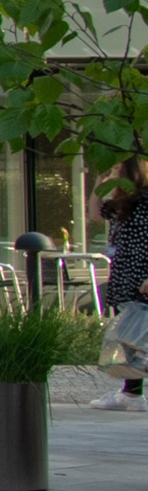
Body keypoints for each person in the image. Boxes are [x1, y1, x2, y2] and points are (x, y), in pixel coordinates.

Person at [103, 160, 148, 406]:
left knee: (136, 334)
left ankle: (132, 393)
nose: (114, 173)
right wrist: (100, 183)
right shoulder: (121, 203)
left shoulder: (145, 202)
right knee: (131, 336)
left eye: (117, 169)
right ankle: (131, 393)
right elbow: (93, 213)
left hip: (140, 274)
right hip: (124, 274)